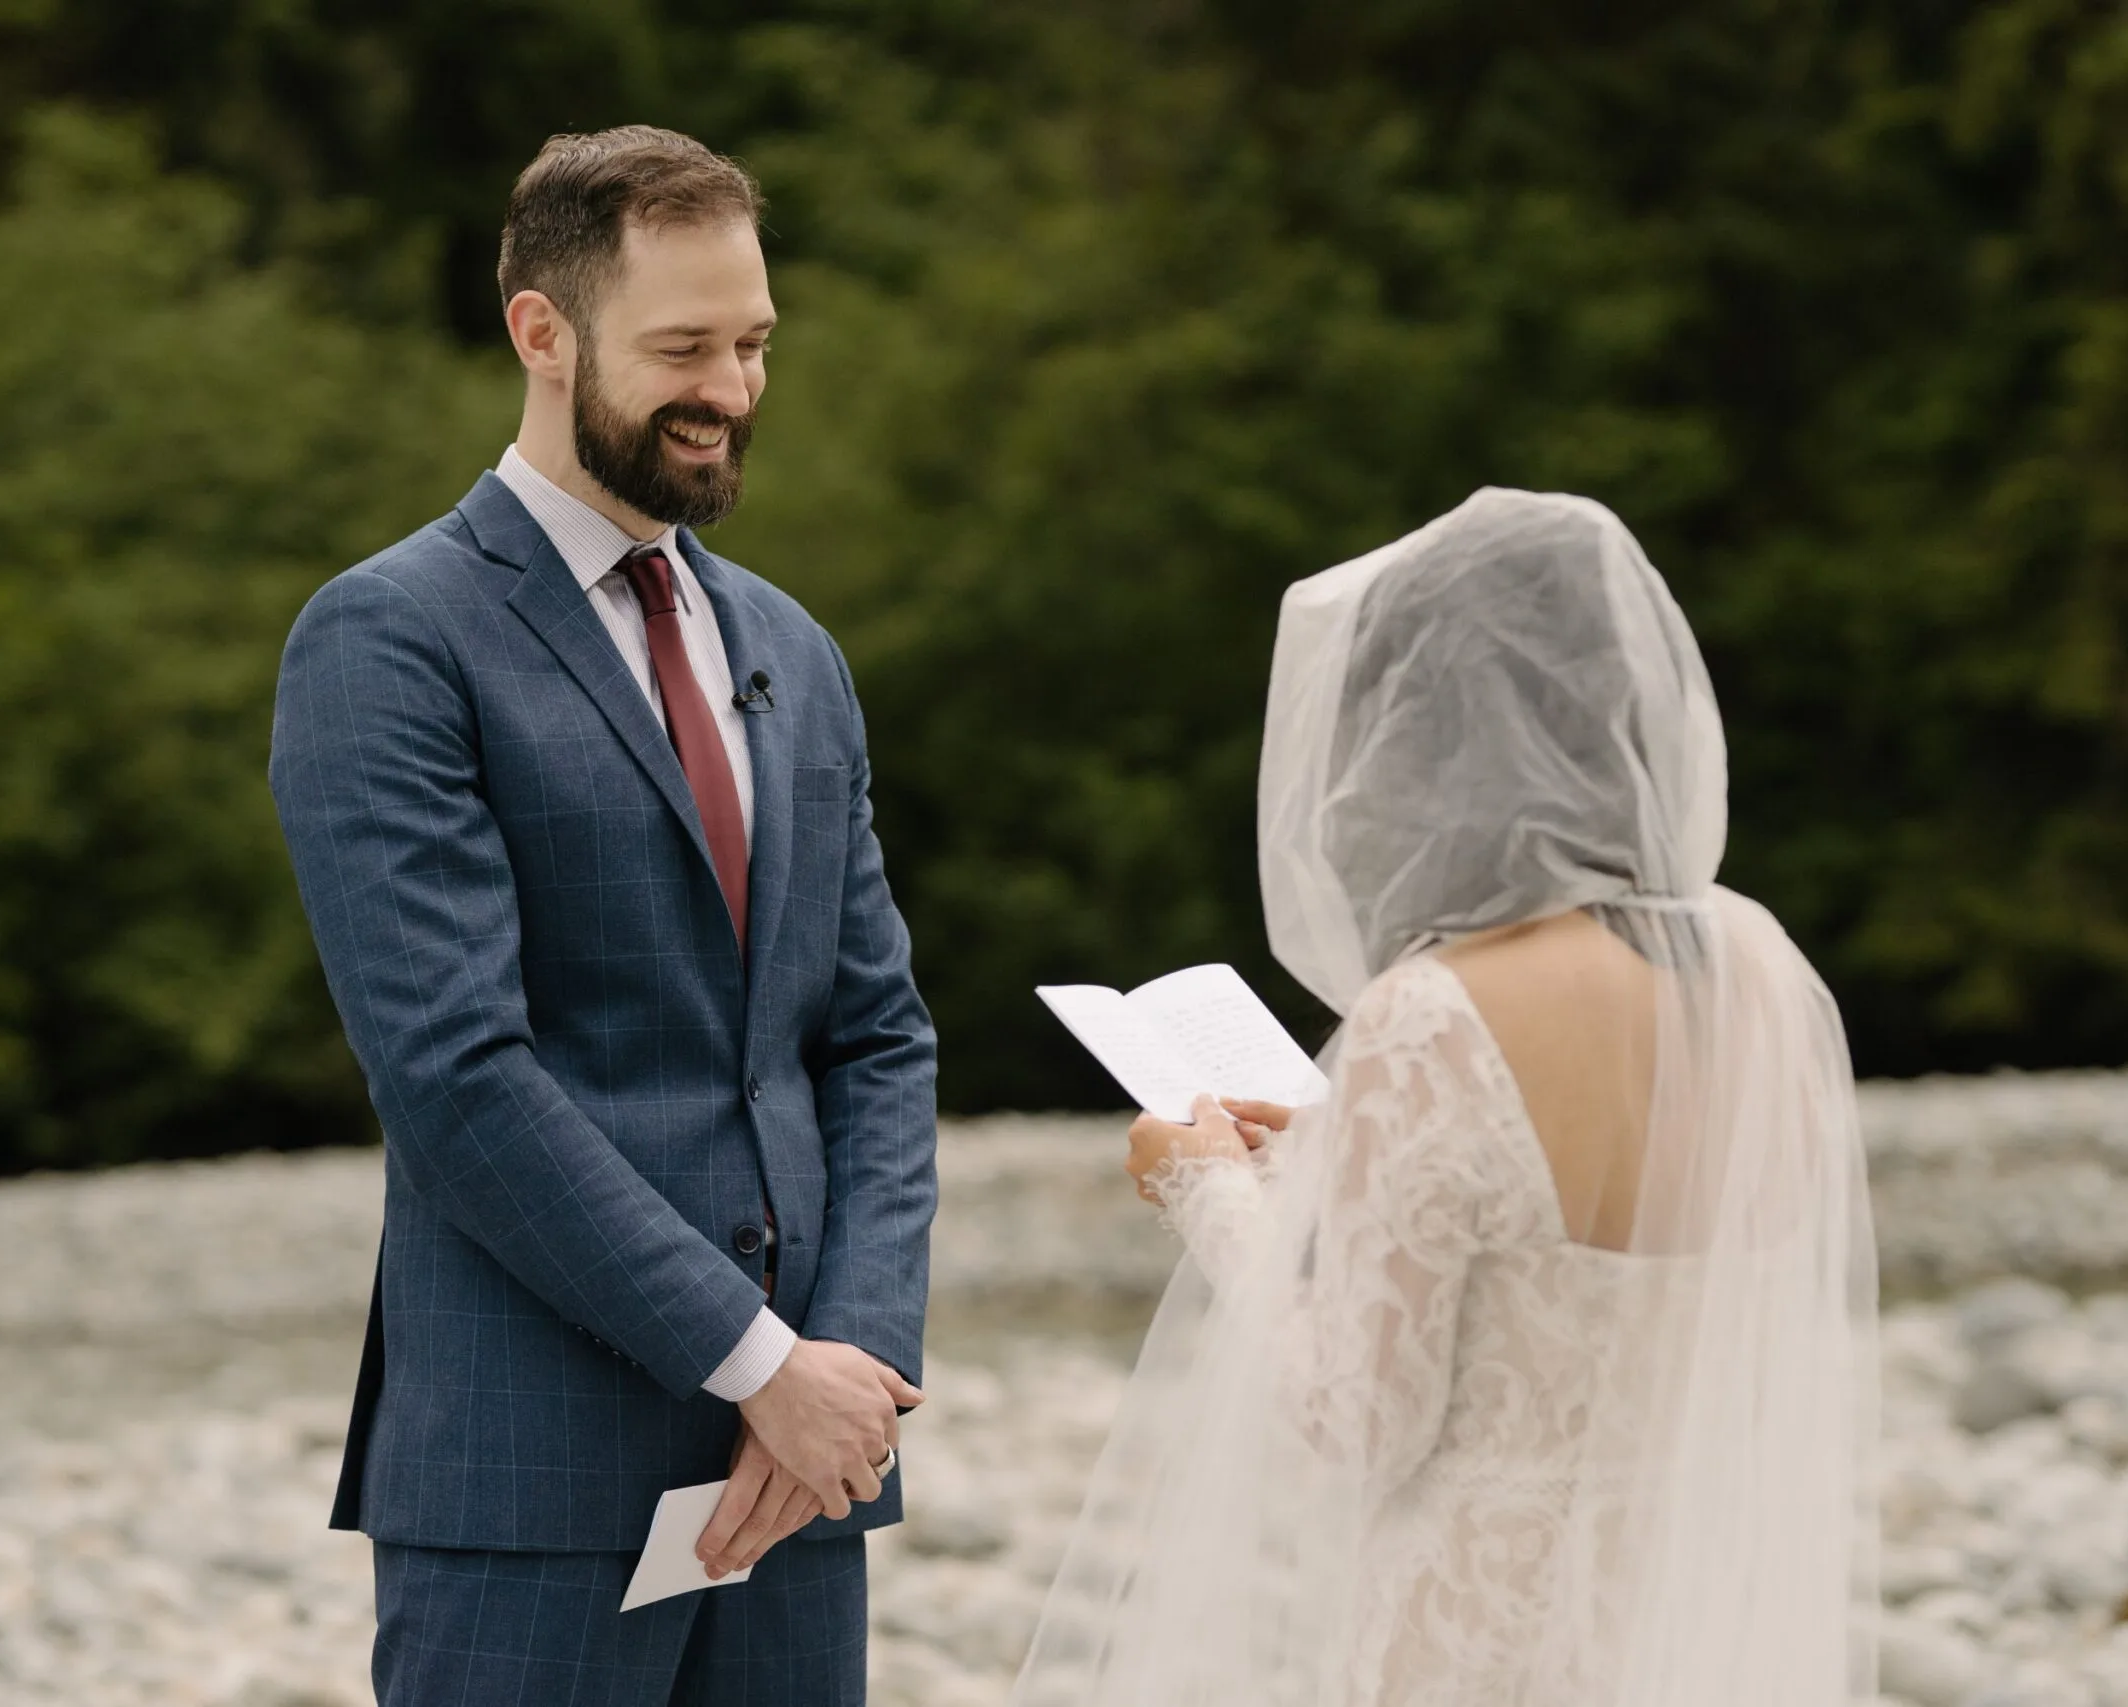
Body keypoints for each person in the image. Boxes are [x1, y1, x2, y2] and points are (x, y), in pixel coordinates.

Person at [268, 126, 936, 1706]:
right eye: (684, 348)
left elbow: (876, 1034)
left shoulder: (793, 645)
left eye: (756, 341)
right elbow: (456, 1074)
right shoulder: (388, 638)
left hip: (801, 1487)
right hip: (531, 1483)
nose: (734, 388)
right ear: (542, 332)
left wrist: (852, 1371)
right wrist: (759, 1360)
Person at [1014, 490, 1880, 1707]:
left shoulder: (1434, 1014)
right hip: (1682, 1632)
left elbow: (1358, 1418)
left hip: (1475, 1644)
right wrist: (1347, 1154)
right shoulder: (1760, 972)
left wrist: (1203, 1186)